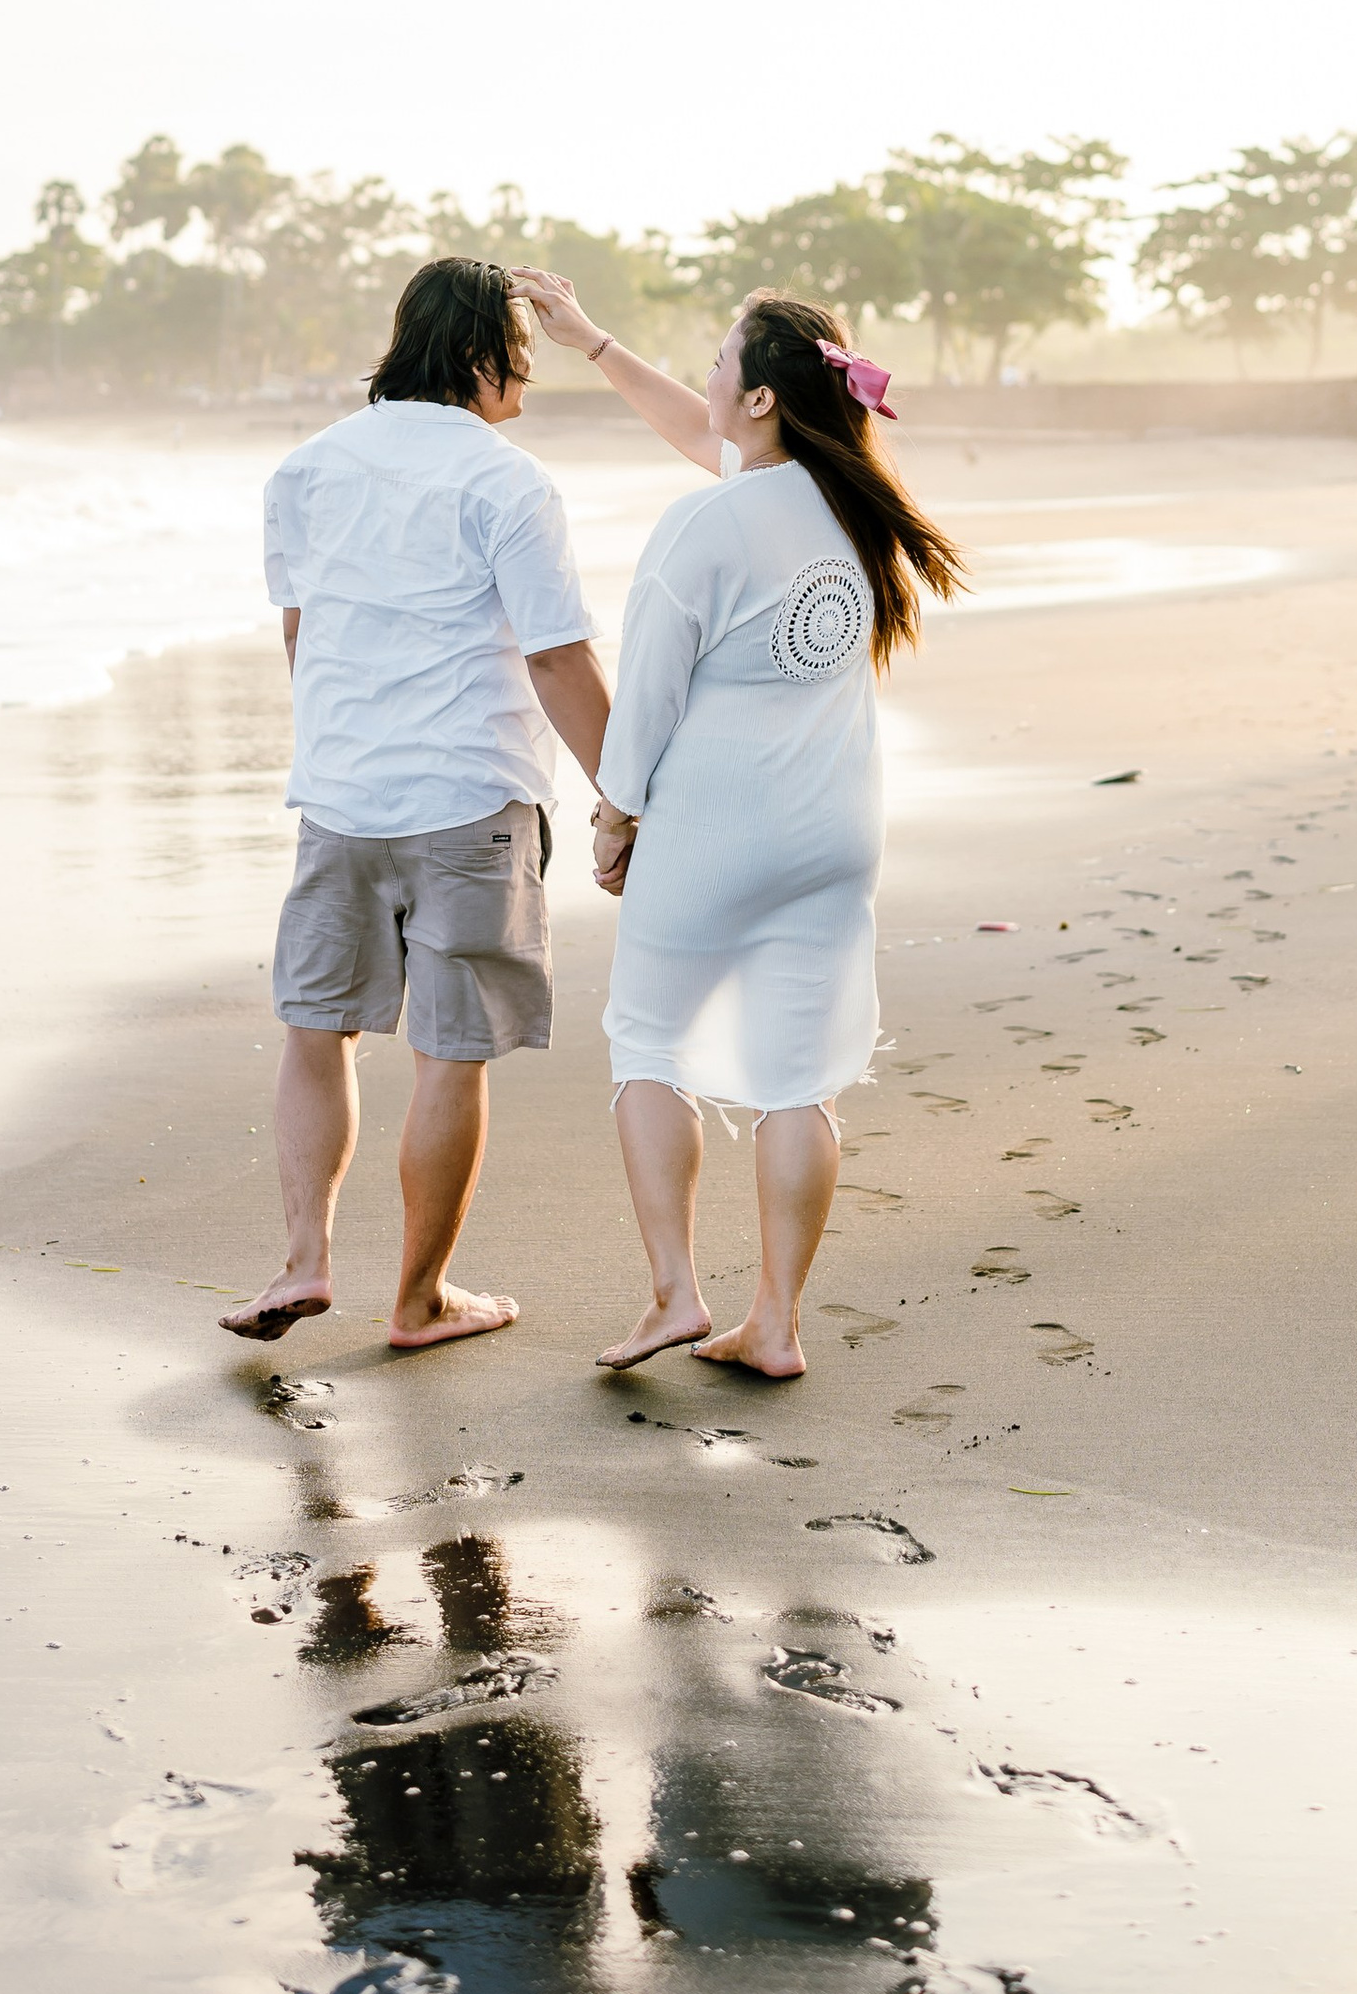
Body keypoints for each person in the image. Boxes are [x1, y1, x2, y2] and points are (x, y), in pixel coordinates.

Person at [512, 269, 964, 1379]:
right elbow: (701, 434)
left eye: (721, 360)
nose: (707, 375)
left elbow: (651, 699)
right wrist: (595, 344)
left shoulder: (705, 525)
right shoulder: (853, 505)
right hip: (833, 828)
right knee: (795, 1080)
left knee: (647, 1044)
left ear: (760, 398)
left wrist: (617, 820)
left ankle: (674, 1296)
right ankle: (775, 1324)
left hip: (717, 829)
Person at [220, 257, 611, 1351]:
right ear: (483, 360)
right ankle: (419, 1301)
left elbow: (301, 636)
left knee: (315, 1031)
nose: (523, 395)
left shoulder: (305, 470)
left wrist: (349, 753)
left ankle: (305, 1261)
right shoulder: (509, 483)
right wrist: (628, 795)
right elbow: (559, 660)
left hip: (339, 798)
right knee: (450, 1050)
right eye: (521, 368)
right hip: (467, 797)